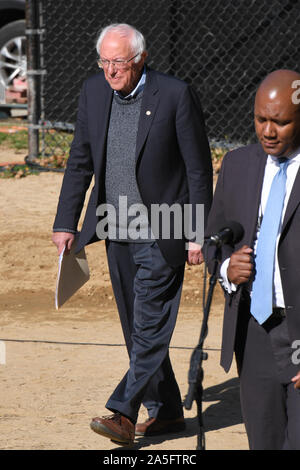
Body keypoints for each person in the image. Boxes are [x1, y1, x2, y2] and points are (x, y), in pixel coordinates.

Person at [52, 23, 213, 446]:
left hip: (165, 230)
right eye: (103, 61)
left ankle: (122, 412)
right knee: (136, 328)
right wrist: (66, 222)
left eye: (118, 62)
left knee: (149, 326)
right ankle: (167, 412)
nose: (109, 70)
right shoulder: (92, 91)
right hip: (114, 231)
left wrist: (198, 232)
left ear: (140, 57)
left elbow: (198, 169)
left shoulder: (174, 94)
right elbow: (79, 161)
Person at [205, 69, 300, 450]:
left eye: (280, 122)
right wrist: (228, 269)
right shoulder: (238, 165)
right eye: (261, 119)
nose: (268, 131)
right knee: (264, 441)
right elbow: (215, 242)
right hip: (254, 330)